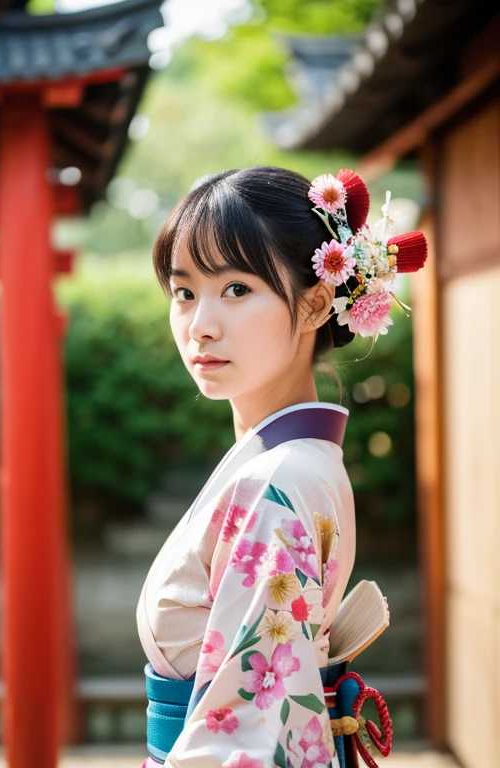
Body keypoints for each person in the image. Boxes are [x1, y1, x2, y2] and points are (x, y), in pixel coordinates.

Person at [136, 166, 427, 768]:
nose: (200, 325)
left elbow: (244, 737)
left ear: (317, 303)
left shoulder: (281, 478)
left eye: (237, 289)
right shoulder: (295, 462)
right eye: (184, 292)